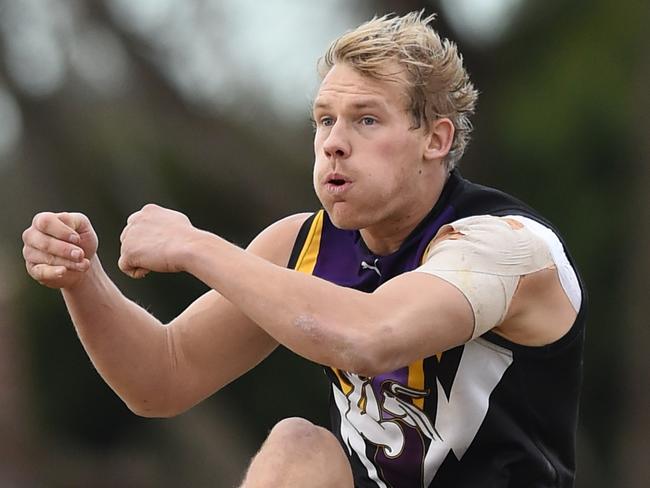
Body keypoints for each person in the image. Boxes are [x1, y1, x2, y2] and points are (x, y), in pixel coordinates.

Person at [21, 11, 586, 488]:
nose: (334, 143)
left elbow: (369, 337)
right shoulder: (301, 243)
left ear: (435, 140)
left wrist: (195, 246)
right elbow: (162, 378)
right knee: (298, 448)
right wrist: (81, 277)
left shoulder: (502, 244)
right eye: (324, 120)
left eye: (366, 119)